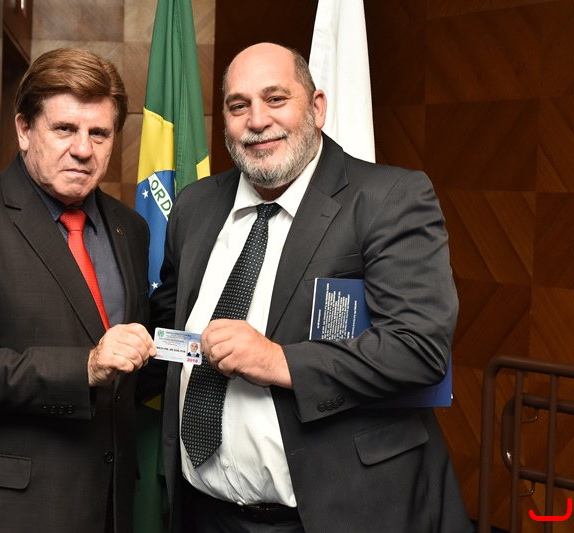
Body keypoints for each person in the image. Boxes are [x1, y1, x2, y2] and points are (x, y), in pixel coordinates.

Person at [150, 42, 473, 533]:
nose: (257, 120)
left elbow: (419, 350)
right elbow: (170, 326)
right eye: (238, 106)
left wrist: (278, 361)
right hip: (206, 514)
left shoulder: (388, 198)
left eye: (275, 99)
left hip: (338, 514)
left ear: (317, 108)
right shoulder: (194, 206)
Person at [0, 48, 156, 533]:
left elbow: (126, 365)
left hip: (103, 509)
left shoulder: (130, 229)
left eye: (99, 133)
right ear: (24, 129)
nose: (83, 149)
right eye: (64, 129)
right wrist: (84, 367)